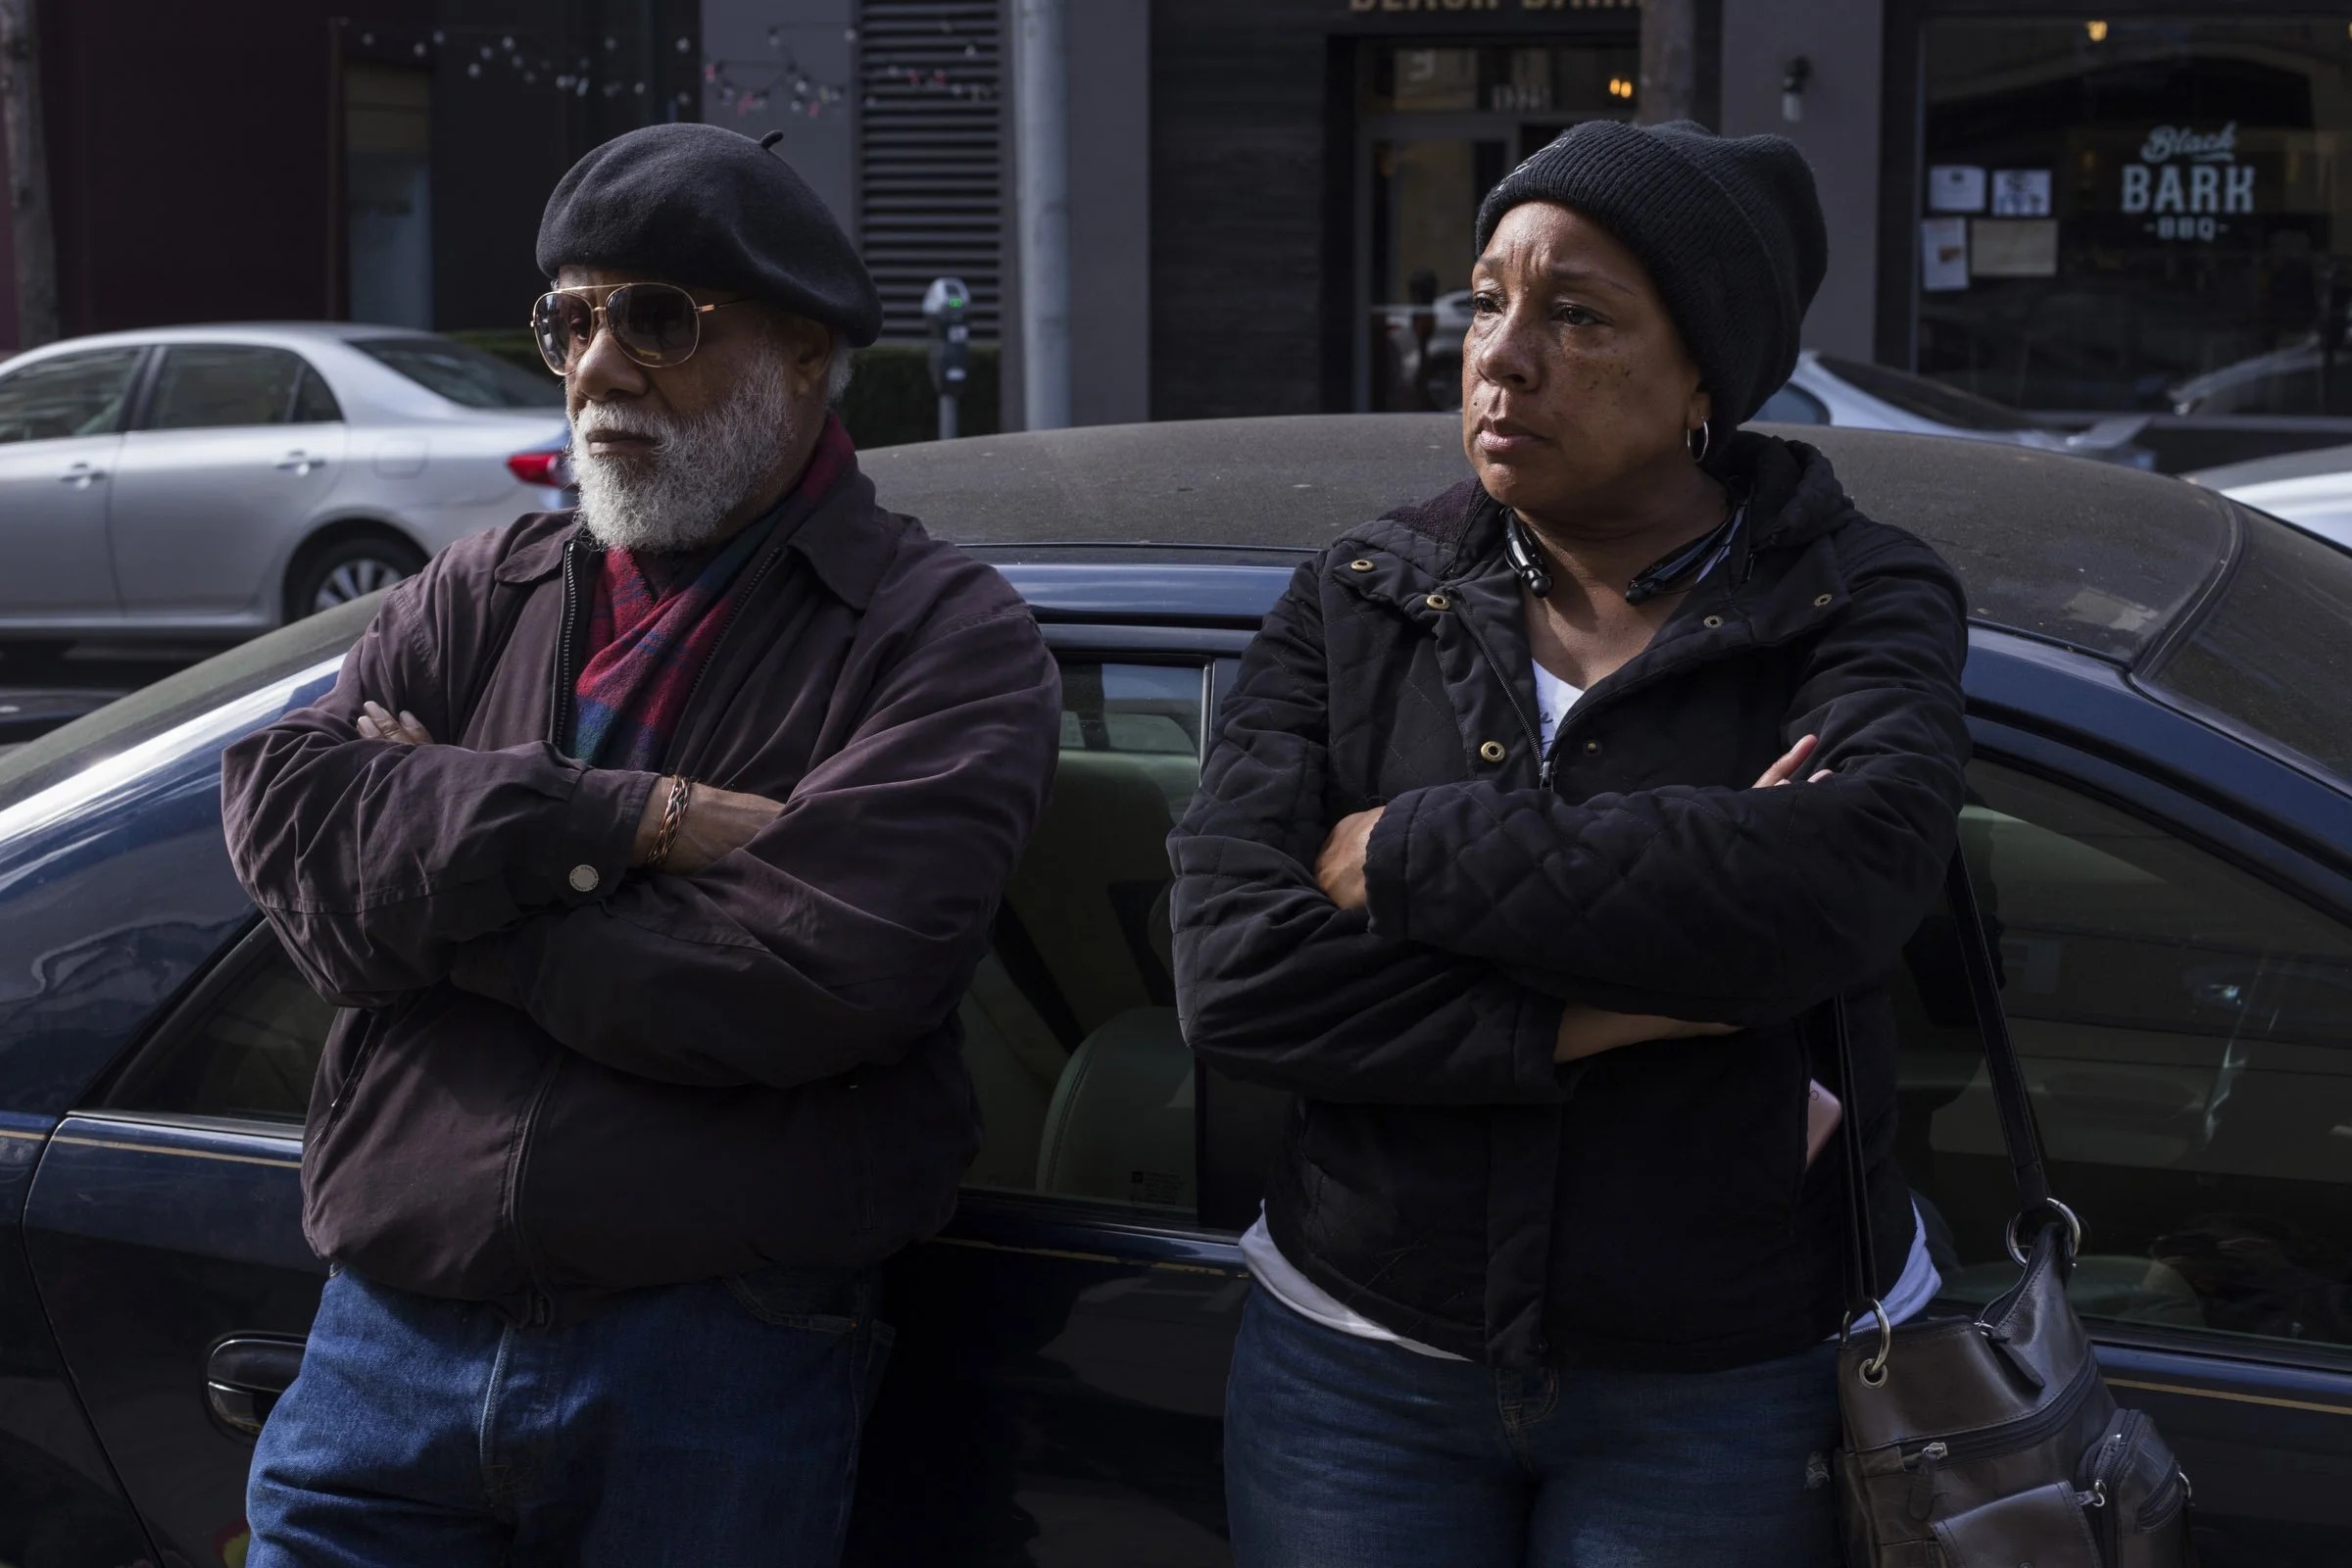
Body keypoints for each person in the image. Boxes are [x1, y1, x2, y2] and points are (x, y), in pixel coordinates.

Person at [220, 123, 1061, 1567]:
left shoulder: (942, 637)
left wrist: (446, 887)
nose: (598, 367)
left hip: (713, 1360)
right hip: (385, 1342)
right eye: (571, 319)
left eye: (655, 320)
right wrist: (628, 821)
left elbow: (819, 975)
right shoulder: (487, 586)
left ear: (806, 354)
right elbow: (288, 826)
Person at [1169, 120, 1969, 1567]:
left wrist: (1407, 852)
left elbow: (1842, 891)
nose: (1500, 354)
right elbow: (1236, 979)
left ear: (1704, 383)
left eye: (1577, 316)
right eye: (1486, 300)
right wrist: (1663, 995)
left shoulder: (1852, 601)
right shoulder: (1360, 598)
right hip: (1360, 1362)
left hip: (1719, 1381)